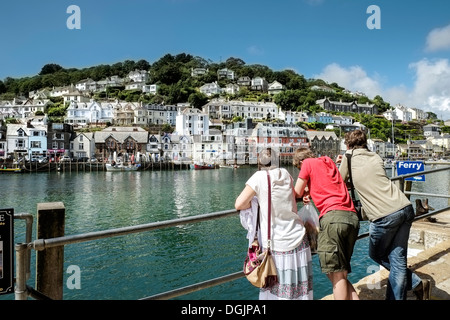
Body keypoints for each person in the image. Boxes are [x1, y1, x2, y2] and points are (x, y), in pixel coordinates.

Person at [337, 129, 431, 300]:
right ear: (365, 143)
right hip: (404, 207)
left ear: (348, 144)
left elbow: (339, 182)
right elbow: (374, 178)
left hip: (384, 216)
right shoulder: (375, 156)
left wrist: (342, 162)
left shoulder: (348, 156)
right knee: (398, 261)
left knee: (377, 254)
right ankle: (417, 285)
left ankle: (416, 283)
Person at [235, 147, 313, 300]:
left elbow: (239, 204)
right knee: (300, 293)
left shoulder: (259, 177)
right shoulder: (286, 174)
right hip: (299, 240)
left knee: (279, 296)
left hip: (279, 246)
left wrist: (256, 202)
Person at [293, 147, 360, 300]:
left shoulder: (307, 163)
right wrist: (310, 191)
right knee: (340, 273)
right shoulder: (328, 161)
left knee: (337, 275)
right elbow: (327, 183)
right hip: (351, 217)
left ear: (301, 162)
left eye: (299, 168)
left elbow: (296, 192)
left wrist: (303, 191)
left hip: (333, 219)